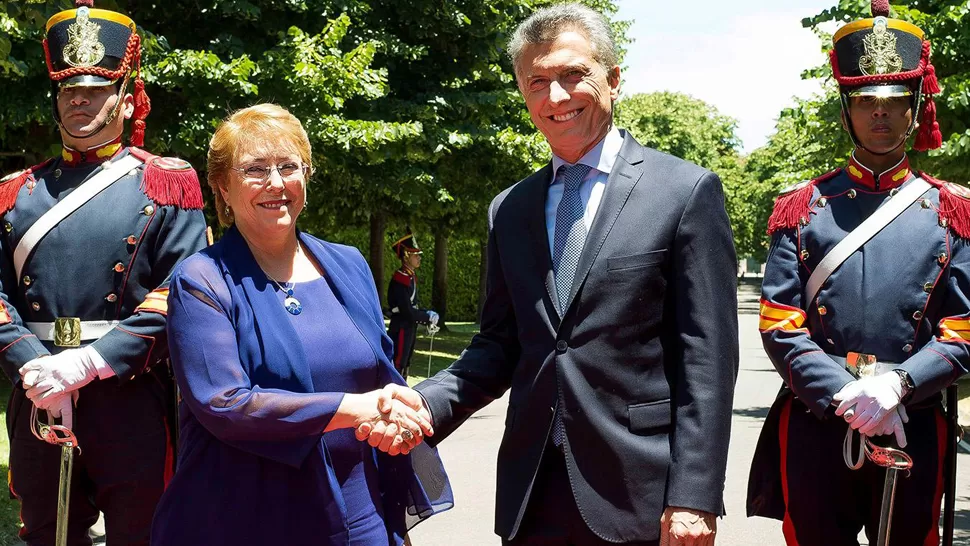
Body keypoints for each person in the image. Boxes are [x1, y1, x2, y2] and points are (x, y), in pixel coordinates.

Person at [363, 4, 739, 545]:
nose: (555, 97)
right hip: (532, 493)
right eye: (537, 81)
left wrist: (694, 496)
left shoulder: (684, 192)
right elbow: (496, 347)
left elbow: (709, 357)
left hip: (643, 495)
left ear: (612, 79)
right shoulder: (509, 210)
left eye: (571, 75)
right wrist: (424, 403)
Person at [150, 104, 452, 546]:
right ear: (222, 188)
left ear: (306, 177)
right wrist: (354, 408)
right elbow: (225, 403)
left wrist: (390, 409)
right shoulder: (201, 279)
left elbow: (379, 368)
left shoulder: (348, 264)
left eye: (288, 166)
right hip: (249, 518)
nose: (275, 182)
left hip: (361, 512)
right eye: (254, 169)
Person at [747, 2, 968, 544]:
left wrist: (899, 383)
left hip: (910, 418)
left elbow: (964, 327)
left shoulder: (954, 211)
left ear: (916, 110)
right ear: (846, 111)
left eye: (894, 103)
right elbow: (779, 322)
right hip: (818, 419)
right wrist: (848, 397)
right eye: (866, 101)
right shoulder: (801, 208)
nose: (880, 115)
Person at [0, 1, 208, 543]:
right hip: (38, 390)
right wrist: (37, 371)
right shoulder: (15, 193)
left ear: (125, 99)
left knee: (141, 532)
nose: (80, 100)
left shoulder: (166, 183)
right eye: (70, 90)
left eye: (94, 89)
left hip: (129, 393)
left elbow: (184, 292)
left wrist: (91, 364)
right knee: (47, 532)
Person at [387, 229, 439, 378]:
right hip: (402, 326)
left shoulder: (409, 277)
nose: (419, 258)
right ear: (406, 256)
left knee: (406, 361)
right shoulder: (401, 278)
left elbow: (412, 306)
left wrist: (426, 313)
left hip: (409, 326)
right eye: (415, 255)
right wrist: (425, 317)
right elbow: (406, 311)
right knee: (399, 362)